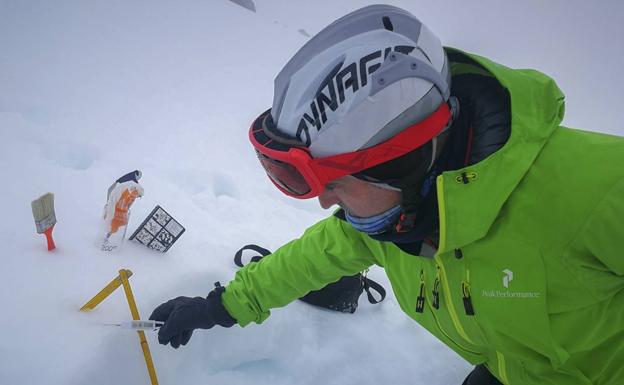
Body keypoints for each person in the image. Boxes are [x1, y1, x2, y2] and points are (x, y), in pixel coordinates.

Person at [149, 5, 624, 385]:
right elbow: (305, 261)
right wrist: (220, 307)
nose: (324, 203)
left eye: (333, 184)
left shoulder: (599, 187)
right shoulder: (393, 221)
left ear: (400, 165)